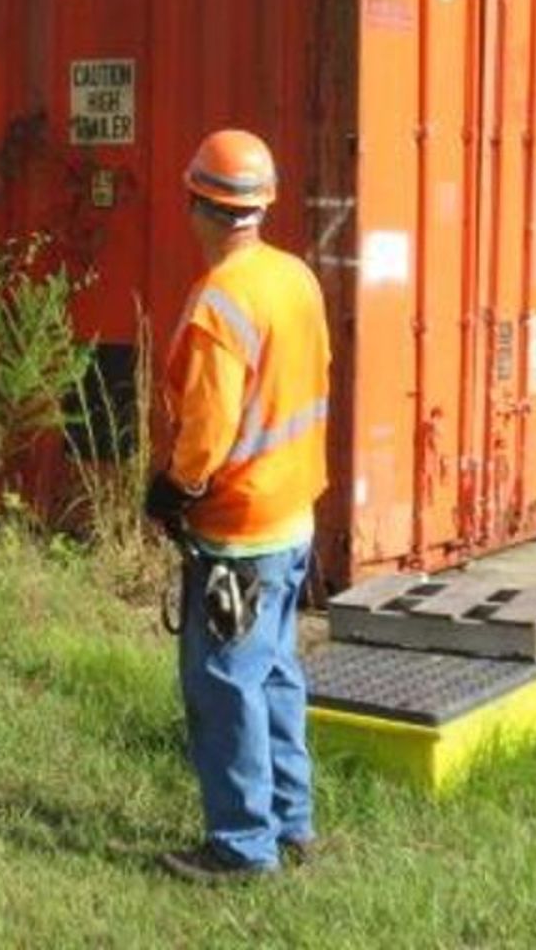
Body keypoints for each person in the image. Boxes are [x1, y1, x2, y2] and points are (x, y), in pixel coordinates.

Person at [145, 128, 331, 884]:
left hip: (239, 531)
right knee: (276, 673)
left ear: (197, 204)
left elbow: (210, 426)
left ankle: (242, 847)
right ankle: (292, 824)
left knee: (224, 683)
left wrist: (177, 489)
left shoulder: (221, 302)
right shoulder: (295, 277)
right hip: (294, 517)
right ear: (261, 207)